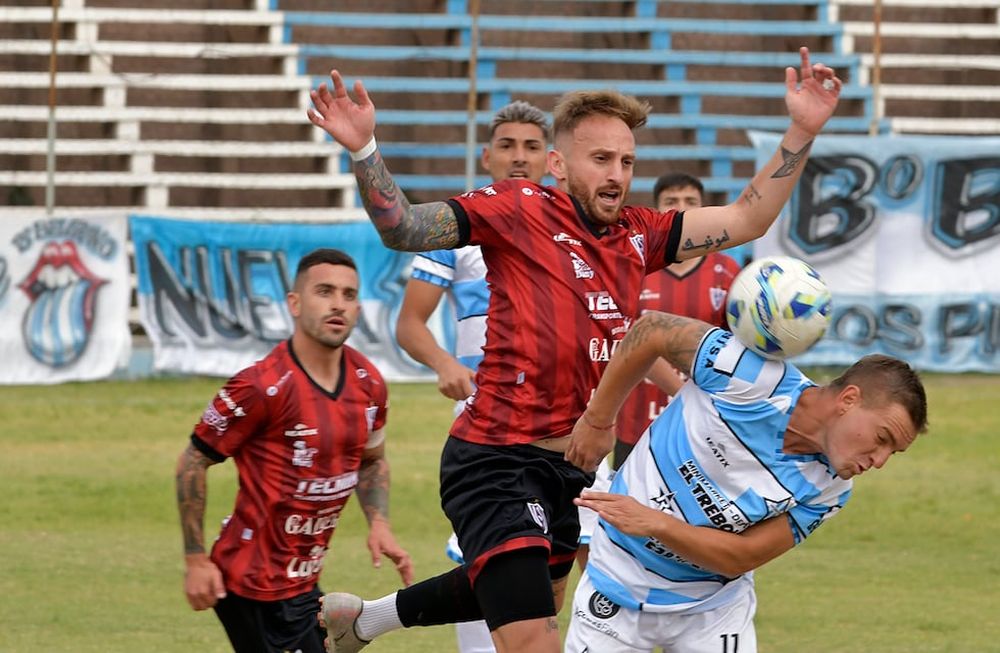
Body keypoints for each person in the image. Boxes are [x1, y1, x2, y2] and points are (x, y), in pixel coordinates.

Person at [307, 46, 843, 653]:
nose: (617, 174)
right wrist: (363, 148)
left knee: (542, 595)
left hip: (572, 468)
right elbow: (402, 227)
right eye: (601, 159)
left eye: (627, 161)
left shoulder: (640, 234)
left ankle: (365, 621)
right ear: (558, 164)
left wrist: (801, 129)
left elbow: (747, 219)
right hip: (495, 458)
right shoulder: (517, 208)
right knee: (534, 637)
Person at [565, 311, 928, 652]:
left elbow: (740, 557)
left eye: (892, 453)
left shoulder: (829, 488)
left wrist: (656, 524)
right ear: (849, 399)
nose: (879, 461)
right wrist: (598, 422)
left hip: (713, 612)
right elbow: (652, 329)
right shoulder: (748, 375)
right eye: (882, 439)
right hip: (616, 588)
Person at [175, 248, 413, 653]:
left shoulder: (368, 383)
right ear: (295, 303)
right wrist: (197, 560)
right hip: (250, 584)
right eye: (324, 291)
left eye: (349, 294)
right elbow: (193, 462)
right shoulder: (259, 386)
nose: (338, 303)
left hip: (302, 584)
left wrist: (379, 522)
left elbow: (371, 462)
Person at [395, 100, 549, 653]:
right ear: (486, 156)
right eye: (506, 145)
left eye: (531, 147)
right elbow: (409, 323)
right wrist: (445, 363)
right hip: (491, 431)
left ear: (551, 159)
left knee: (569, 554)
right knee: (486, 555)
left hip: (566, 428)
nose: (518, 157)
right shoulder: (461, 226)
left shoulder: (575, 229)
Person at [611, 172, 742, 469]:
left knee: (693, 513)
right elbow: (620, 337)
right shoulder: (633, 268)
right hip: (636, 423)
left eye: (690, 201)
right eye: (671, 201)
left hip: (704, 426)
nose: (682, 208)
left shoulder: (727, 271)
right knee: (625, 511)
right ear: (656, 211)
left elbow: (738, 350)